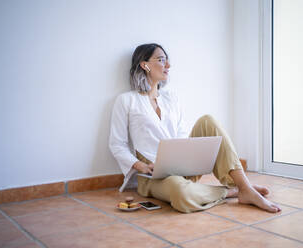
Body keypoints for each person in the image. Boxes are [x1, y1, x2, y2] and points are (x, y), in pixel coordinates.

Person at [109, 43, 281, 213]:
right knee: (181, 192)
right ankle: (233, 192)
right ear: (144, 65)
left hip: (180, 164)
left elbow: (182, 133)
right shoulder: (126, 100)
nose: (168, 65)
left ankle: (245, 186)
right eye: (161, 60)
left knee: (208, 121)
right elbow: (117, 144)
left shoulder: (171, 98)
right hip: (153, 176)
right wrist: (140, 166)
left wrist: (188, 159)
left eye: (167, 60)